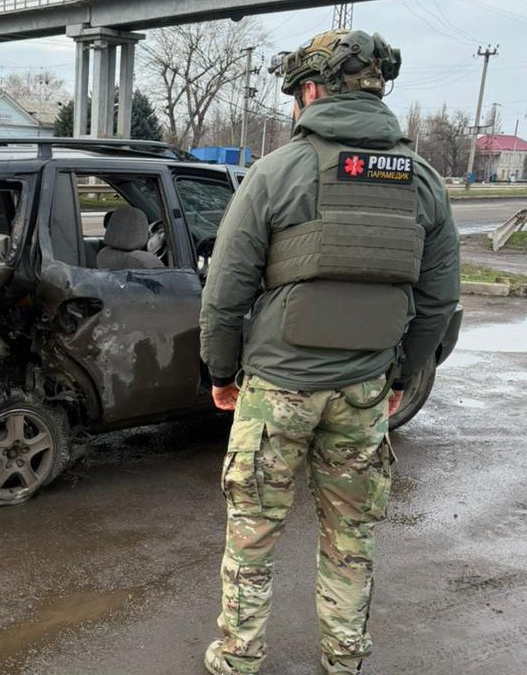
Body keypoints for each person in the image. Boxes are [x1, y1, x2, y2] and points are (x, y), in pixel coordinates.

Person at [199, 29, 460, 675]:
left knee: (253, 533)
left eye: (294, 94)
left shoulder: (276, 171)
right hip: (364, 389)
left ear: (311, 90)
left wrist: (221, 370)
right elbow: (437, 299)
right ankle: (344, 656)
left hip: (277, 388)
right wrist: (399, 374)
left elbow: (225, 290)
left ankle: (237, 657)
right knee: (352, 535)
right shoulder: (422, 179)